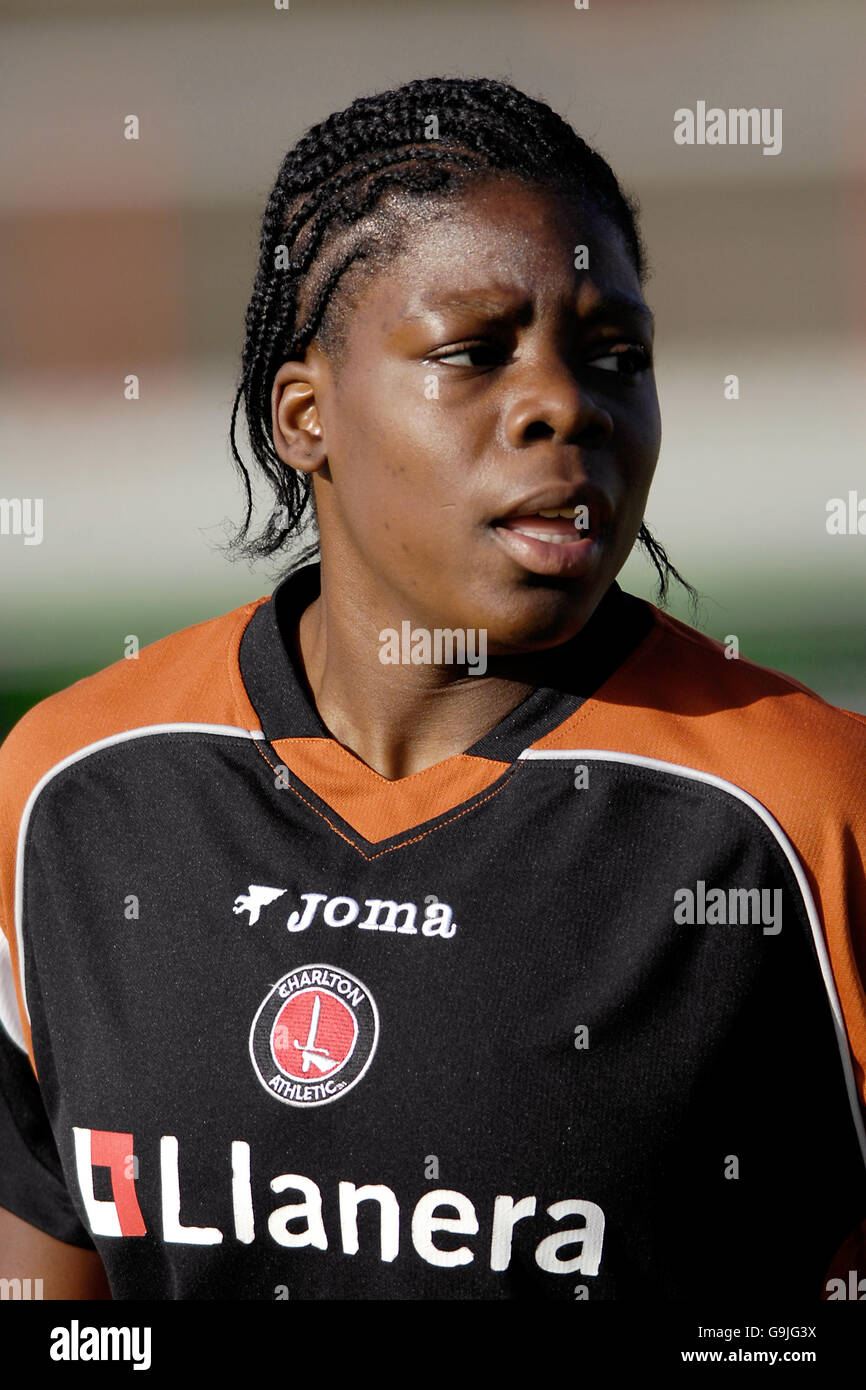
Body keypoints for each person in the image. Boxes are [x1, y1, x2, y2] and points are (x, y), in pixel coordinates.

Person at [1, 75, 864, 1302]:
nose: (566, 404)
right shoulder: (72, 787)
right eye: (473, 352)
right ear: (306, 416)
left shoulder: (804, 813)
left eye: (613, 357)